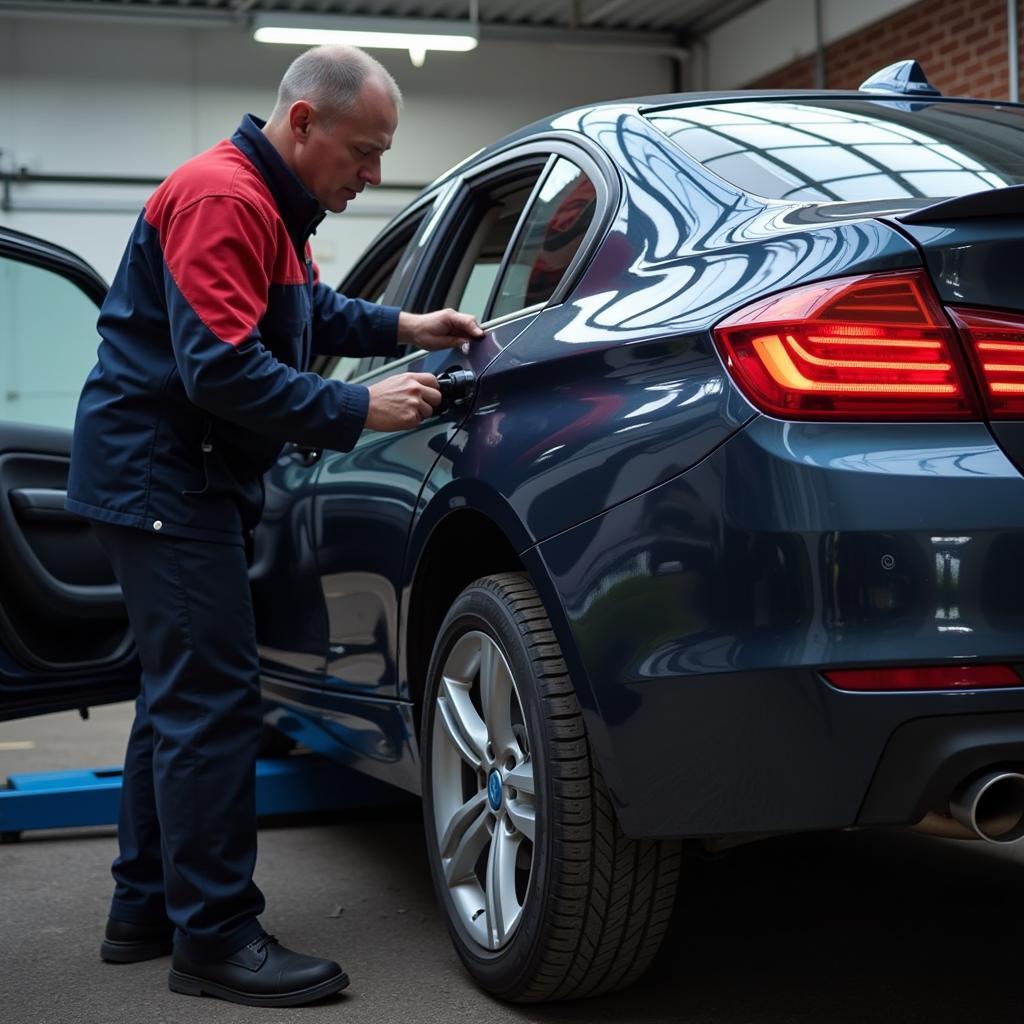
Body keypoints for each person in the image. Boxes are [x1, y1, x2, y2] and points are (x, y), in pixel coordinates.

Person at [65, 45, 483, 1008]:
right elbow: (220, 369)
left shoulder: (271, 207)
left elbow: (304, 315)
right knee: (213, 705)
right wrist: (358, 412)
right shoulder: (225, 198)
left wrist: (404, 329)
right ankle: (214, 939)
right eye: (365, 151)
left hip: (177, 476)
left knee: (178, 701)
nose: (373, 174)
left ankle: (144, 911)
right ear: (303, 122)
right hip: (168, 480)